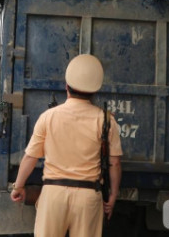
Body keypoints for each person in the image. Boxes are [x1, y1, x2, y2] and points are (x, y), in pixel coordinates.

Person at [10, 54, 123, 237]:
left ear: (66, 87)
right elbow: (115, 164)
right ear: (95, 91)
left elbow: (31, 157)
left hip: (53, 195)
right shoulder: (106, 120)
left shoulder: (48, 116)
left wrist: (18, 187)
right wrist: (113, 194)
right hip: (88, 198)